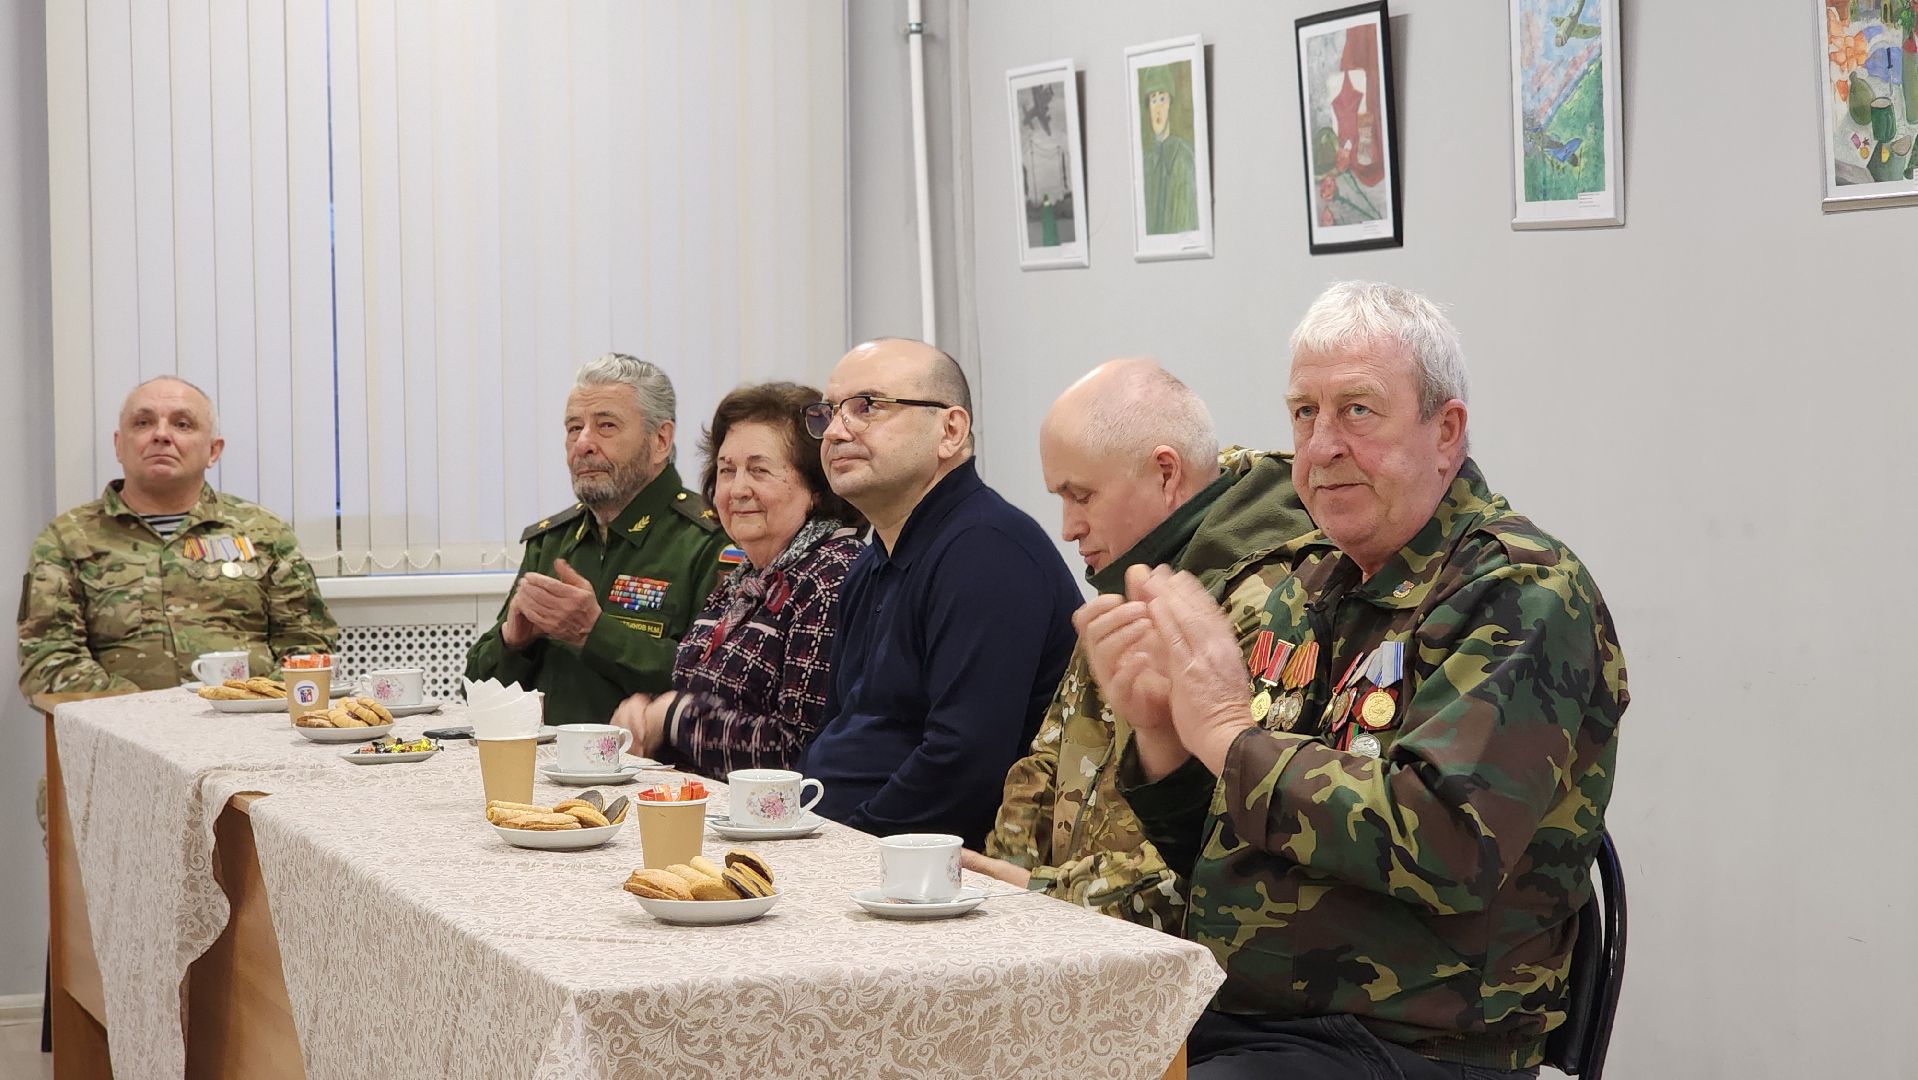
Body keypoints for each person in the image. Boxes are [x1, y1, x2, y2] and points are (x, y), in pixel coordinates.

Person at [1084, 283, 1627, 1077]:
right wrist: (1166, 742)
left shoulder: (1520, 591)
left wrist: (1230, 735)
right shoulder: (1305, 585)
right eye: (1304, 413)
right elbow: (1237, 848)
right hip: (1246, 1016)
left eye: (1358, 412)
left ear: (1446, 432)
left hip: (1410, 1042)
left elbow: (1447, 845)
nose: (1322, 445)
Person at [967, 359, 1315, 932]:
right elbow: (1048, 762)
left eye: (1081, 496)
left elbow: (1226, 836)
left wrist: (1043, 896)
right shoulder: (1132, 571)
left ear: (1164, 473)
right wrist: (996, 886)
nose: (1067, 526)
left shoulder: (1268, 600)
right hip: (1062, 932)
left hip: (1171, 963)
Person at [795, 338, 1080, 850]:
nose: (837, 431)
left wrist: (843, 848)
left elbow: (964, 763)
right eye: (829, 412)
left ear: (950, 431)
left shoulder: (987, 552)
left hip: (934, 870)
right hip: (837, 837)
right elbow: (839, 727)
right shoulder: (871, 560)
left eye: (868, 407)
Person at [18, 375, 338, 698]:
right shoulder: (67, 538)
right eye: (143, 423)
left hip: (249, 727)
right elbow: (48, 659)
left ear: (213, 450)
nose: (161, 435)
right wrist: (143, 718)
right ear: (118, 445)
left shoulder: (265, 533)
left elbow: (308, 644)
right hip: (118, 732)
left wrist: (251, 705)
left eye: (182, 425)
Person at [608, 382, 864, 778]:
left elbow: (798, 751)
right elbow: (704, 700)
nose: (737, 489)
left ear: (817, 486)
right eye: (727, 471)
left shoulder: (830, 575)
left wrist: (673, 716)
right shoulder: (744, 577)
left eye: (759, 470)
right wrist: (647, 715)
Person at [465, 354, 729, 727]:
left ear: (660, 440)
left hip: (655, 776)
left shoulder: (709, 542)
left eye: (606, 425)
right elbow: (475, 690)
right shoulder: (551, 543)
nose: (583, 443)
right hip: (546, 771)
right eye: (574, 428)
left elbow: (717, 682)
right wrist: (513, 643)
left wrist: (595, 632)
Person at [1140, 63, 1199, 235]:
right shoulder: (1146, 163)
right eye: (1153, 100)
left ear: (1170, 104)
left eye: (1162, 99)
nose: (1157, 108)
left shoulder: (1185, 158)